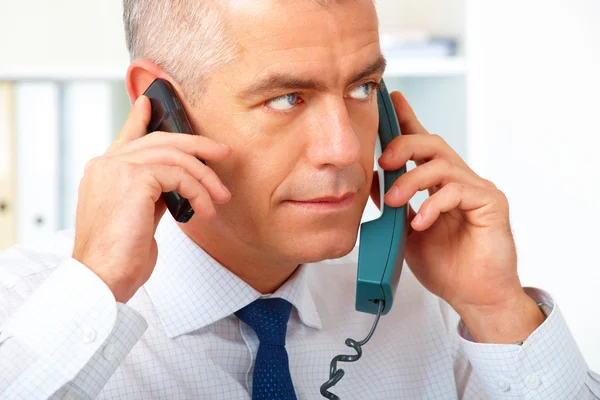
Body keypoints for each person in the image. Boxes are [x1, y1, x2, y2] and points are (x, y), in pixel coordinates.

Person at [1, 0, 599, 398]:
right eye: (288, 97)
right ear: (158, 106)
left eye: (363, 88)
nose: (343, 150)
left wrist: (498, 312)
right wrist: (97, 283)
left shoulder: (440, 307)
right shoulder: (32, 314)